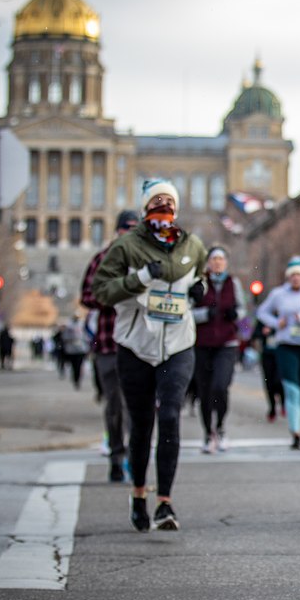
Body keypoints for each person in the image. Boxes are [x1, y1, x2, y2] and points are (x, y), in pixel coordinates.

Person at [91, 178, 207, 532]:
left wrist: (200, 288)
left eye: (168, 204)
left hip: (178, 343)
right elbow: (100, 292)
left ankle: (165, 503)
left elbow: (198, 277)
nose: (163, 210)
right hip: (136, 344)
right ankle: (139, 493)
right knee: (142, 424)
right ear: (145, 209)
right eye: (156, 204)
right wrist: (139, 277)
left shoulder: (192, 246)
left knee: (171, 415)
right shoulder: (126, 247)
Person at [80, 209, 140, 482]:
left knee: (137, 405)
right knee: (115, 404)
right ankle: (117, 455)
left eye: (135, 228)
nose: (130, 233)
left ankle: (133, 457)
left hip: (141, 344)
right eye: (126, 228)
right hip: (109, 343)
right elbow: (87, 296)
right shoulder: (102, 259)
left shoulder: (147, 262)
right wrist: (113, 295)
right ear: (118, 231)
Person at [257, 257, 300, 450]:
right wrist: (275, 323)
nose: (296, 278)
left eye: (299, 274)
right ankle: (296, 431)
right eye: (292, 275)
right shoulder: (278, 294)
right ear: (288, 277)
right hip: (286, 346)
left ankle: (298, 410)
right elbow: (262, 312)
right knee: (291, 389)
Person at [192, 246, 247, 454]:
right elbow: (187, 311)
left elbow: (242, 308)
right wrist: (205, 314)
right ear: (208, 262)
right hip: (202, 343)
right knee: (204, 391)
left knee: (220, 386)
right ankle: (208, 433)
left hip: (227, 343)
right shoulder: (200, 283)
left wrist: (236, 315)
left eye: (221, 259)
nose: (217, 263)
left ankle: (221, 427)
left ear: (226, 263)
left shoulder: (233, 283)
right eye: (214, 259)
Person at [59, 315, 90, 389]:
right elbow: (64, 337)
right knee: (74, 366)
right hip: (71, 350)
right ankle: (75, 379)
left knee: (79, 366)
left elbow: (86, 336)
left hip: (81, 349)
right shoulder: (68, 326)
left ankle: (78, 379)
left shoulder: (82, 325)